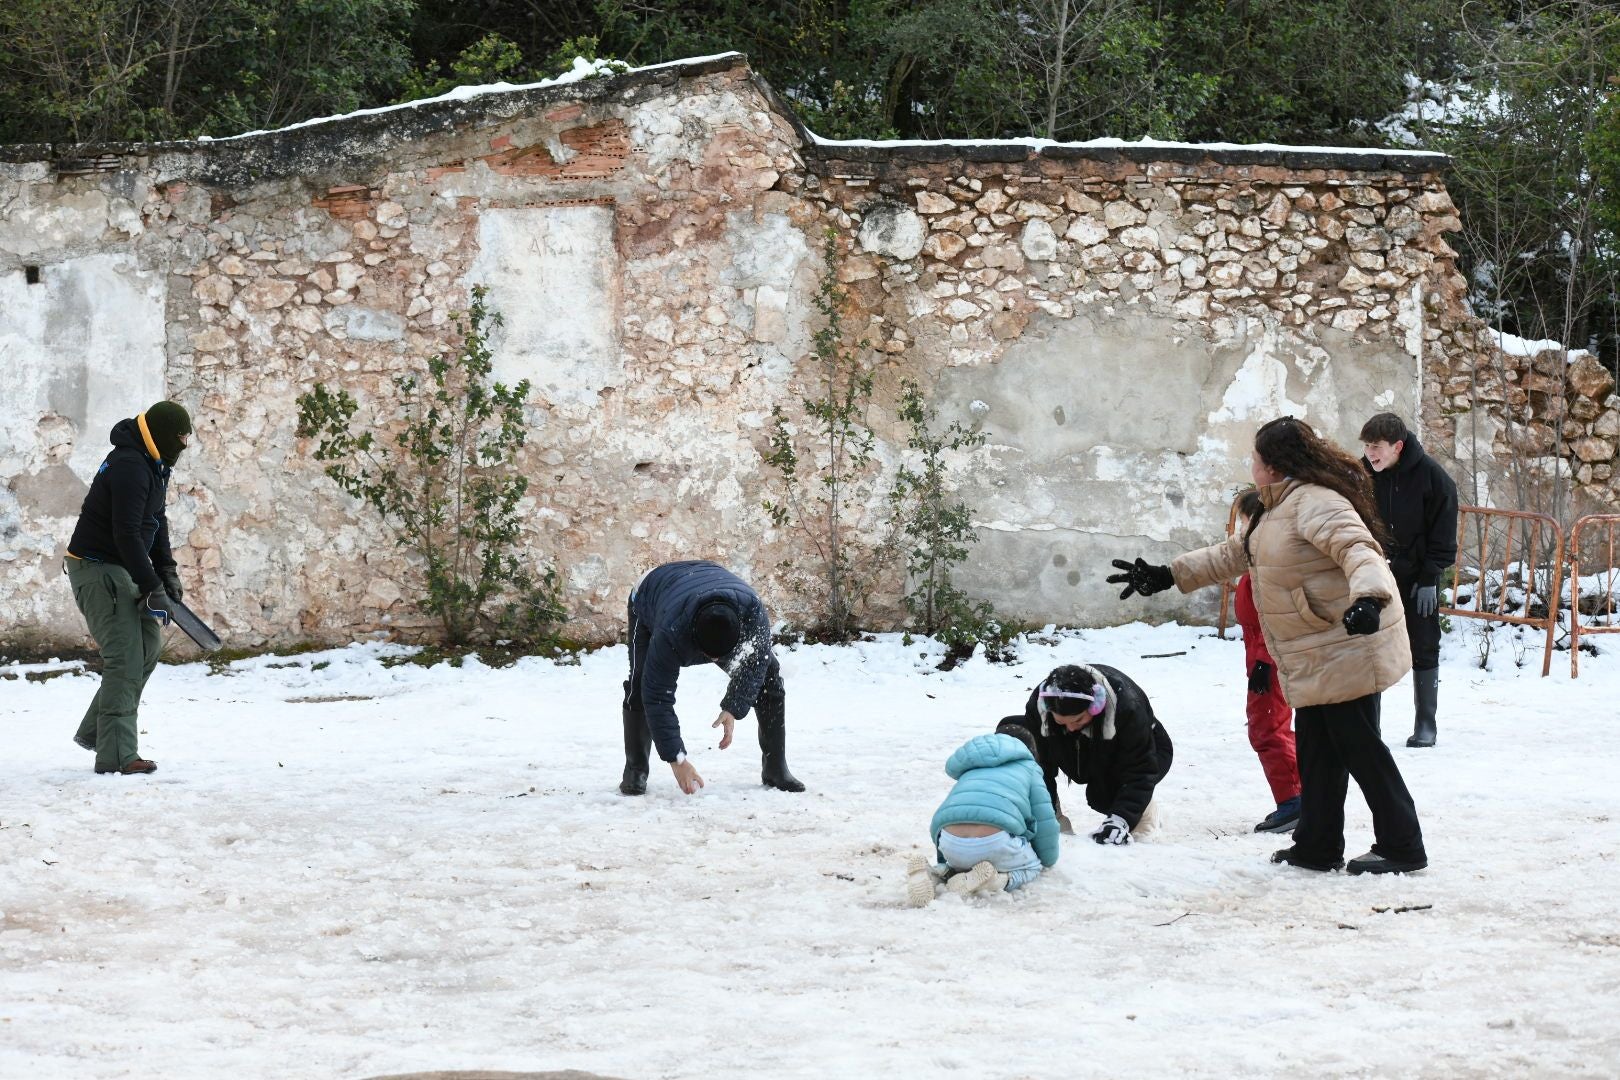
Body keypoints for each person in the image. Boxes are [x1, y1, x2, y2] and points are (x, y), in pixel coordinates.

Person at [1108, 416, 1427, 875]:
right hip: (1317, 652)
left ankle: (1402, 846)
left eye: (1255, 457)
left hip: (1348, 645)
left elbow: (1359, 550)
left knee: (1362, 750)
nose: (1250, 463)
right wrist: (1166, 574)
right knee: (1318, 753)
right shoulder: (1277, 508)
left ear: (1274, 466)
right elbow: (1234, 554)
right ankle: (1317, 845)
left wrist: (1370, 600)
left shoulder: (1318, 503)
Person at [64, 401, 193, 776]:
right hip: (97, 566)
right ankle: (118, 755)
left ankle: (100, 733)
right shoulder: (130, 467)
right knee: (126, 656)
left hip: (122, 565)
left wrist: (165, 571)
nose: (184, 444)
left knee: (148, 647)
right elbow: (125, 533)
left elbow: (155, 519)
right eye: (181, 437)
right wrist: (150, 584)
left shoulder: (153, 463)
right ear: (164, 435)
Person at [619, 560, 803, 796]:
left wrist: (733, 707)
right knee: (640, 683)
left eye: (722, 657)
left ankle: (776, 768)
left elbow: (756, 664)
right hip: (651, 592)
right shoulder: (670, 630)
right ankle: (635, 769)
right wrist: (678, 761)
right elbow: (656, 695)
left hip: (710, 586)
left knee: (769, 678)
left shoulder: (753, 614)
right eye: (710, 656)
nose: (716, 661)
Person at [1360, 413, 1459, 748]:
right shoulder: (1362, 474)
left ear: (1397, 447)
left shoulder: (1434, 479)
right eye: (1366, 446)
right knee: (1368, 642)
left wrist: (1432, 576)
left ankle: (1425, 724)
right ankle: (1368, 725)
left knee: (1423, 642)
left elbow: (1444, 534)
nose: (1370, 453)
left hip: (1418, 576)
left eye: (1376, 447)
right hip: (1374, 573)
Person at [997, 663, 1172, 847]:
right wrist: (1046, 817)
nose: (1071, 727)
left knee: (1102, 795)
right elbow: (1039, 769)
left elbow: (1140, 772)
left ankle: (1143, 815)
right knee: (1017, 734)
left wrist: (1120, 820)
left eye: (1078, 719)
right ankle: (1056, 821)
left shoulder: (1128, 708)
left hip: (1146, 753)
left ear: (1096, 706)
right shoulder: (1040, 706)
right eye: (1060, 721)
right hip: (1080, 749)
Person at [904, 727, 1059, 906]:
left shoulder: (973, 767)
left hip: (949, 839)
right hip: (994, 841)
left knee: (959, 863)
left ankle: (936, 874)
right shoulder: (1029, 768)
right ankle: (995, 881)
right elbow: (1045, 820)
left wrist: (943, 856)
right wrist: (1048, 859)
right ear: (1030, 750)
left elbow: (945, 813)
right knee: (1033, 867)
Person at [1235, 490, 1303, 834]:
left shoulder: (1269, 563)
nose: (1238, 532)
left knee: (1268, 728)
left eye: (1244, 523)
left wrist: (1263, 661)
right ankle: (1297, 797)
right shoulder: (1254, 558)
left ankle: (1293, 801)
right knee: (1268, 726)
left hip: (1270, 657)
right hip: (1260, 654)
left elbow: (1273, 617)